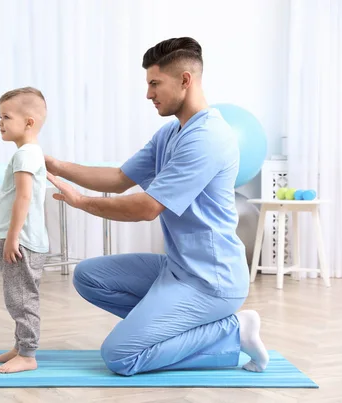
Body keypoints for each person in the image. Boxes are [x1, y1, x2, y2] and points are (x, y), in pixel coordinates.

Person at [45, 37, 269, 376]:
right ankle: (173, 328)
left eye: (154, 83)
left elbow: (146, 208)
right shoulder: (170, 133)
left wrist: (80, 202)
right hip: (177, 269)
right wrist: (56, 166)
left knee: (120, 356)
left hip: (212, 281)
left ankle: (233, 330)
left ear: (185, 80)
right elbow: (120, 178)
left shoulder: (208, 137)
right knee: (89, 277)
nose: (149, 94)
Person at [0, 87, 50, 373]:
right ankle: (20, 346)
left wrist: (12, 237)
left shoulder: (26, 154)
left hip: (21, 240)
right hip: (19, 239)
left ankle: (28, 354)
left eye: (5, 116)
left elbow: (23, 197)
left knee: (21, 298)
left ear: (29, 122)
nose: (0, 122)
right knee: (16, 295)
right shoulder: (28, 153)